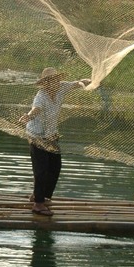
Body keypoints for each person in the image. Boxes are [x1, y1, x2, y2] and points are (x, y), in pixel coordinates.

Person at [20, 67, 91, 215]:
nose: (55, 82)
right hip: (37, 135)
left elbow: (77, 83)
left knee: (55, 167)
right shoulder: (41, 96)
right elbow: (35, 109)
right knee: (41, 169)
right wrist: (28, 116)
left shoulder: (62, 87)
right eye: (51, 80)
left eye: (56, 79)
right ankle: (38, 204)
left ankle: (40, 196)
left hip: (51, 135)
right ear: (45, 83)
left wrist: (89, 81)